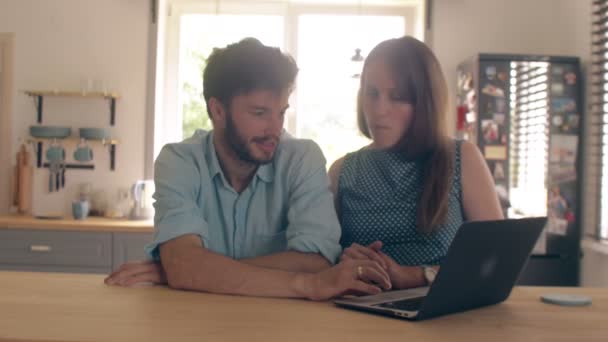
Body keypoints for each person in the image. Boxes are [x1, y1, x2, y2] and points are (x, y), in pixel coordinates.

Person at [104, 38, 391, 300]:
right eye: (259, 113)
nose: (275, 129)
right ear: (217, 111)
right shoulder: (179, 161)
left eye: (281, 112)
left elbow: (315, 260)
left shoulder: (302, 158)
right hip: (192, 323)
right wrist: (305, 284)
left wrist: (195, 271)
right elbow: (185, 267)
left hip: (279, 325)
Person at [328, 36, 503, 290]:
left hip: (444, 317)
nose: (379, 109)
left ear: (425, 102)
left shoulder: (460, 158)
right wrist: (341, 263)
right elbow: (319, 261)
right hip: (360, 314)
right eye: (372, 93)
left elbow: (496, 262)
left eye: (397, 96)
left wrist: (413, 275)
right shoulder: (342, 171)